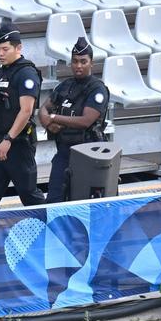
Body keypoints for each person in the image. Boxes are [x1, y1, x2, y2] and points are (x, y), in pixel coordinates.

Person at [0, 22, 45, 211]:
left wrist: (8, 139)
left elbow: (26, 111)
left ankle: (53, 235)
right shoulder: (0, 74)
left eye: (5, 49)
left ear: (18, 48)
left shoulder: (26, 73)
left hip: (17, 144)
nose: (1, 54)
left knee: (29, 195)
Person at [38, 37, 110, 203]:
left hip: (88, 154)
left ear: (91, 63)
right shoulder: (65, 85)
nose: (78, 66)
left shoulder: (97, 89)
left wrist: (55, 118)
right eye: (75, 61)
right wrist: (47, 121)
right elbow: (43, 109)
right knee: (54, 201)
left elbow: (86, 120)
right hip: (64, 153)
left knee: (83, 202)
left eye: (83, 62)